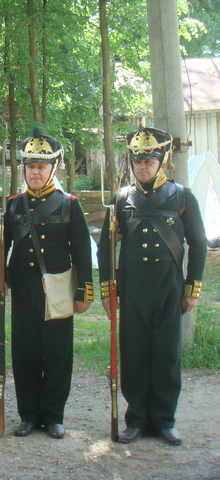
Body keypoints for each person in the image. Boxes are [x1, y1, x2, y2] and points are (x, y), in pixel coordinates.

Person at [98, 126, 207, 445]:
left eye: (149, 161)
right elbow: (105, 247)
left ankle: (164, 420)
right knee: (134, 354)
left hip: (168, 288)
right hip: (132, 290)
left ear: (162, 161)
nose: (142, 167)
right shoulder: (121, 199)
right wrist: (107, 290)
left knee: (166, 354)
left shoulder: (181, 195)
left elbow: (198, 243)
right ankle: (137, 420)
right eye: (138, 161)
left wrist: (192, 288)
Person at [0, 127, 93, 439]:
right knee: (25, 352)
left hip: (58, 289)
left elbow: (82, 249)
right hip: (24, 289)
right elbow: (0, 243)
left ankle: (53, 415)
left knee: (57, 352)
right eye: (30, 166)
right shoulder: (13, 204)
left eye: (41, 166)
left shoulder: (68, 203)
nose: (35, 172)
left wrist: (83, 291)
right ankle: (29, 415)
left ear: (53, 168)